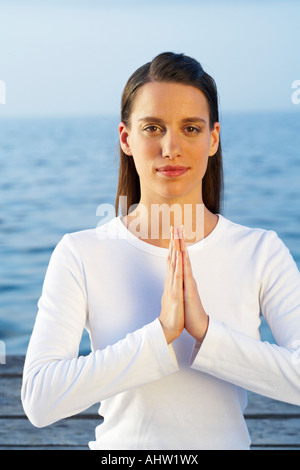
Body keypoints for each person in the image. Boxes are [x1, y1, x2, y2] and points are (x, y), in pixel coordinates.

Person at [21, 52, 300, 450]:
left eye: (190, 128)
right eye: (153, 128)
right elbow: (40, 399)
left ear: (213, 138)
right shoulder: (80, 253)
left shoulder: (261, 251)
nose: (171, 147)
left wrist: (207, 334)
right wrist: (160, 336)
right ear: (126, 138)